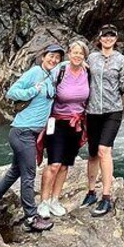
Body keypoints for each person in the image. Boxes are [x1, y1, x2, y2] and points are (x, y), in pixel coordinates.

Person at [0, 44, 64, 232]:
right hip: (22, 132)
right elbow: (11, 92)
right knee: (29, 175)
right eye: (51, 56)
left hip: (32, 133)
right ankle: (31, 218)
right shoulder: (35, 72)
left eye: (57, 58)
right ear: (43, 56)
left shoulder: (53, 75)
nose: (54, 60)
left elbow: (73, 61)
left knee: (14, 171)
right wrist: (31, 92)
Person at [81, 24, 124, 216]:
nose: (107, 38)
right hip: (92, 111)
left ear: (116, 39)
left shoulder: (121, 60)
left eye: (111, 35)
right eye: (104, 35)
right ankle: (90, 192)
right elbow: (82, 77)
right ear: (99, 38)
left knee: (104, 150)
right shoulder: (91, 58)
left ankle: (106, 197)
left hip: (113, 111)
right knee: (93, 154)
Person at [36, 40, 90, 218]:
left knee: (65, 165)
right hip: (57, 122)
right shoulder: (59, 70)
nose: (77, 56)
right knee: (54, 164)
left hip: (76, 124)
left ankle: (55, 200)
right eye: (74, 52)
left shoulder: (87, 71)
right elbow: (42, 84)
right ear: (69, 53)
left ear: (84, 56)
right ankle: (43, 202)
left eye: (80, 53)